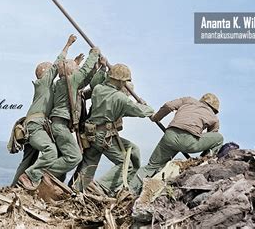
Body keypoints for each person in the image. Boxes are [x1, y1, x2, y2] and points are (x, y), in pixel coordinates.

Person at [76, 63, 154, 196]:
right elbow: (139, 112)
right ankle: (101, 187)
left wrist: (102, 68)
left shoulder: (98, 89)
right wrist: (146, 107)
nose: (124, 84)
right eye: (124, 81)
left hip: (91, 133)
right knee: (126, 164)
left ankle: (78, 191)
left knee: (90, 163)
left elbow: (121, 109)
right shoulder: (120, 98)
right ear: (119, 80)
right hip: (104, 135)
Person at [13, 35, 77, 190]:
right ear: (44, 72)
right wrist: (68, 45)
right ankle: (31, 177)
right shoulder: (43, 83)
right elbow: (57, 65)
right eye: (50, 70)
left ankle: (14, 187)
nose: (53, 72)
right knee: (50, 150)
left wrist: (75, 64)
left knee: (28, 159)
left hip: (34, 126)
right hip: (35, 126)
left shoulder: (47, 88)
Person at [129, 93, 224, 195]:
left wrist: (156, 118)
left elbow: (168, 106)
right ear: (214, 109)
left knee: (151, 166)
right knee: (219, 138)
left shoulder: (188, 100)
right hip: (189, 142)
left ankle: (129, 191)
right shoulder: (214, 118)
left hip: (169, 136)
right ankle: (203, 163)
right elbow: (211, 136)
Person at [45, 46, 100, 180]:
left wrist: (96, 68)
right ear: (71, 71)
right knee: (74, 157)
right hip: (61, 125)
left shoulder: (62, 83)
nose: (78, 70)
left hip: (59, 125)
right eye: (76, 69)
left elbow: (85, 79)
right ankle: (41, 173)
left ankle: (49, 178)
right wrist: (93, 54)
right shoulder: (70, 80)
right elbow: (84, 71)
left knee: (63, 157)